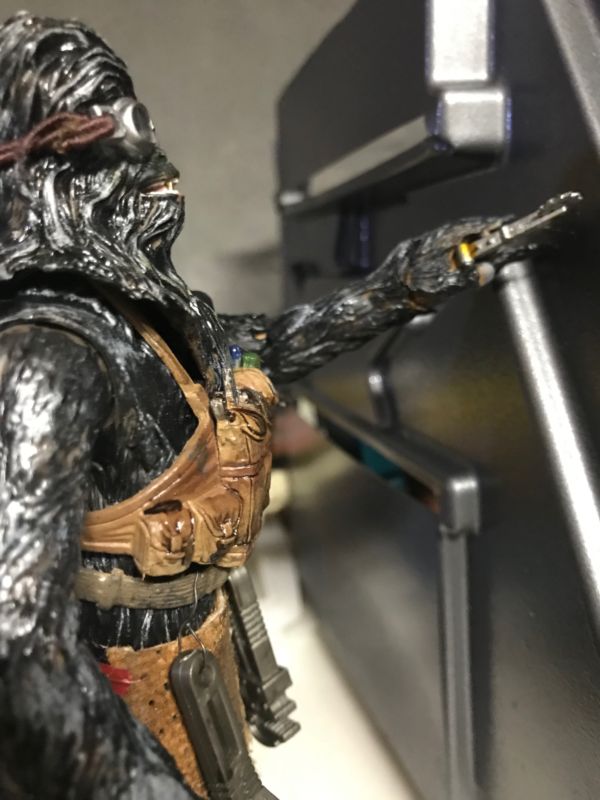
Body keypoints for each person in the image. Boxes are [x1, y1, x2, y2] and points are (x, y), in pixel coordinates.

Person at [0, 12, 545, 800]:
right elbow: (19, 647)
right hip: (121, 719)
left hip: (195, 664)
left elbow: (259, 352)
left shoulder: (141, 323)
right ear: (50, 170)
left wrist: (404, 283)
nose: (157, 160)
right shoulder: (44, 358)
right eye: (121, 126)